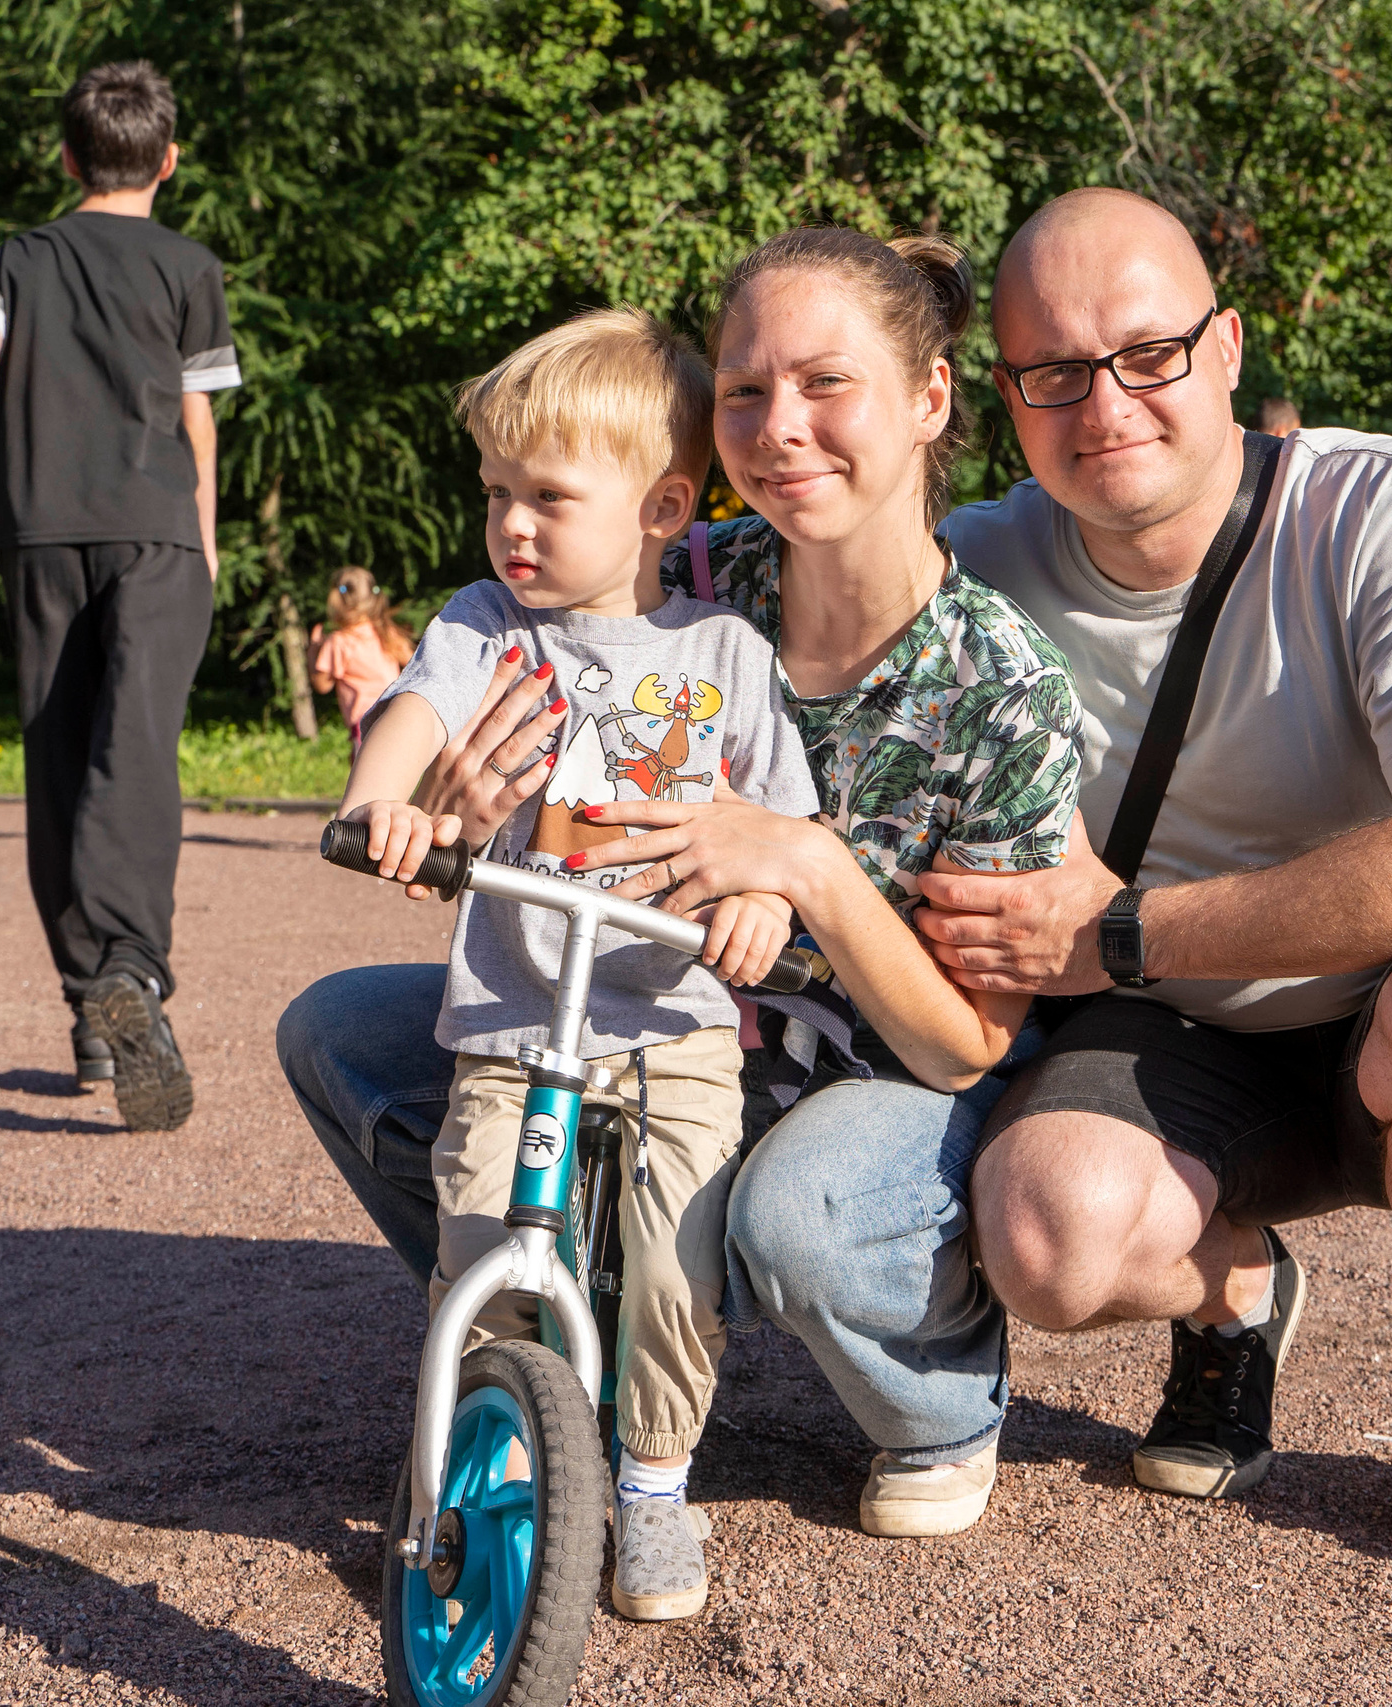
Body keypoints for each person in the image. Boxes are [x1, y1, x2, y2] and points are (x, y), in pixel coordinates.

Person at [277, 231, 1083, 1549]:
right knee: (344, 1033)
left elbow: (962, 1043)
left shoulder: (1001, 688)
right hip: (641, 1004)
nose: (779, 428)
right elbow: (512, 728)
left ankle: (936, 1393)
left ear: (931, 397)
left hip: (872, 1077)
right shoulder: (687, 577)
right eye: (746, 391)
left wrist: (804, 864)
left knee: (797, 1214)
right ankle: (546, 1356)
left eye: (827, 383)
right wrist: (457, 815)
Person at [890, 187, 1392, 1595]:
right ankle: (1239, 1292)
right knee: (1044, 1237)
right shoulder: (968, 565)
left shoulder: (1387, 505)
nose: (1107, 404)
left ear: (1224, 347)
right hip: (1173, 1023)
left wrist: (1122, 930)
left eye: (1147, 353)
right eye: (1054, 372)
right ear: (1002, 398)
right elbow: (741, 616)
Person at [336, 308, 819, 1622]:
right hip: (516, 1019)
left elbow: (785, 829)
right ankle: (476, 1443)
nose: (512, 524)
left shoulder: (724, 655)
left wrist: (761, 901)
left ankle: (652, 1480)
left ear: (663, 507)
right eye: (495, 491)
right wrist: (384, 801)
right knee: (480, 1231)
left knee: (675, 1260)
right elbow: (415, 709)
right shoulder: (489, 626)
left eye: (548, 496)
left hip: (671, 1023)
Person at [0, 61, 236, 1127]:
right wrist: (205, 546)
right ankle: (129, 966)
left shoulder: (15, 258)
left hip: (39, 534)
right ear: (168, 160)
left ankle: (91, 1004)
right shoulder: (189, 266)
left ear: (68, 155)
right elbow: (197, 423)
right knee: (134, 750)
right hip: (158, 535)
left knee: (60, 755)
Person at [308, 566, 415, 745]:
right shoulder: (385, 631)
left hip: (366, 724)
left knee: (367, 764)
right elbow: (414, 661)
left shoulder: (339, 642)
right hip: (397, 714)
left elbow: (322, 685)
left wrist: (313, 651)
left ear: (335, 600)